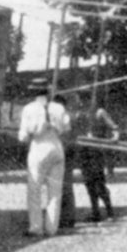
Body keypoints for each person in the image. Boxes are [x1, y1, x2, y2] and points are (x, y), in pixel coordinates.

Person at [18, 79, 71, 237]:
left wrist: (28, 135)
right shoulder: (59, 107)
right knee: (55, 191)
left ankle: (36, 227)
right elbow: (67, 128)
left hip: (39, 148)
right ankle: (51, 228)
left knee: (34, 191)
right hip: (56, 147)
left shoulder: (29, 109)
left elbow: (24, 136)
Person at [75, 100, 120, 221]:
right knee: (88, 183)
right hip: (84, 153)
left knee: (99, 184)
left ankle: (110, 212)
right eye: (81, 99)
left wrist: (115, 137)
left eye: (85, 98)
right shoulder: (78, 114)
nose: (83, 103)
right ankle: (95, 212)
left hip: (96, 153)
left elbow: (114, 127)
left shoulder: (99, 112)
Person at [53, 94, 77, 229]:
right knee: (64, 186)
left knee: (64, 186)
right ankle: (66, 216)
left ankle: (67, 217)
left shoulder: (65, 116)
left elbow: (67, 136)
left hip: (66, 152)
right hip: (66, 152)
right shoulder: (66, 116)